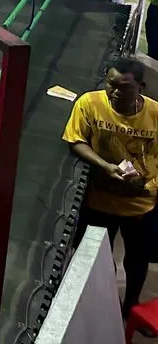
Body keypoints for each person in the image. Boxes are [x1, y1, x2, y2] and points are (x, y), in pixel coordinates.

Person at [63, 58, 158, 317]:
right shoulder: (89, 103)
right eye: (111, 84)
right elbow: (76, 140)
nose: (116, 92)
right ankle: (107, 307)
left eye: (124, 87)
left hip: (140, 204)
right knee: (97, 262)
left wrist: (147, 183)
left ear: (141, 87)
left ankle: (131, 307)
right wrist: (105, 166)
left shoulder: (155, 114)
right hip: (99, 202)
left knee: (137, 259)